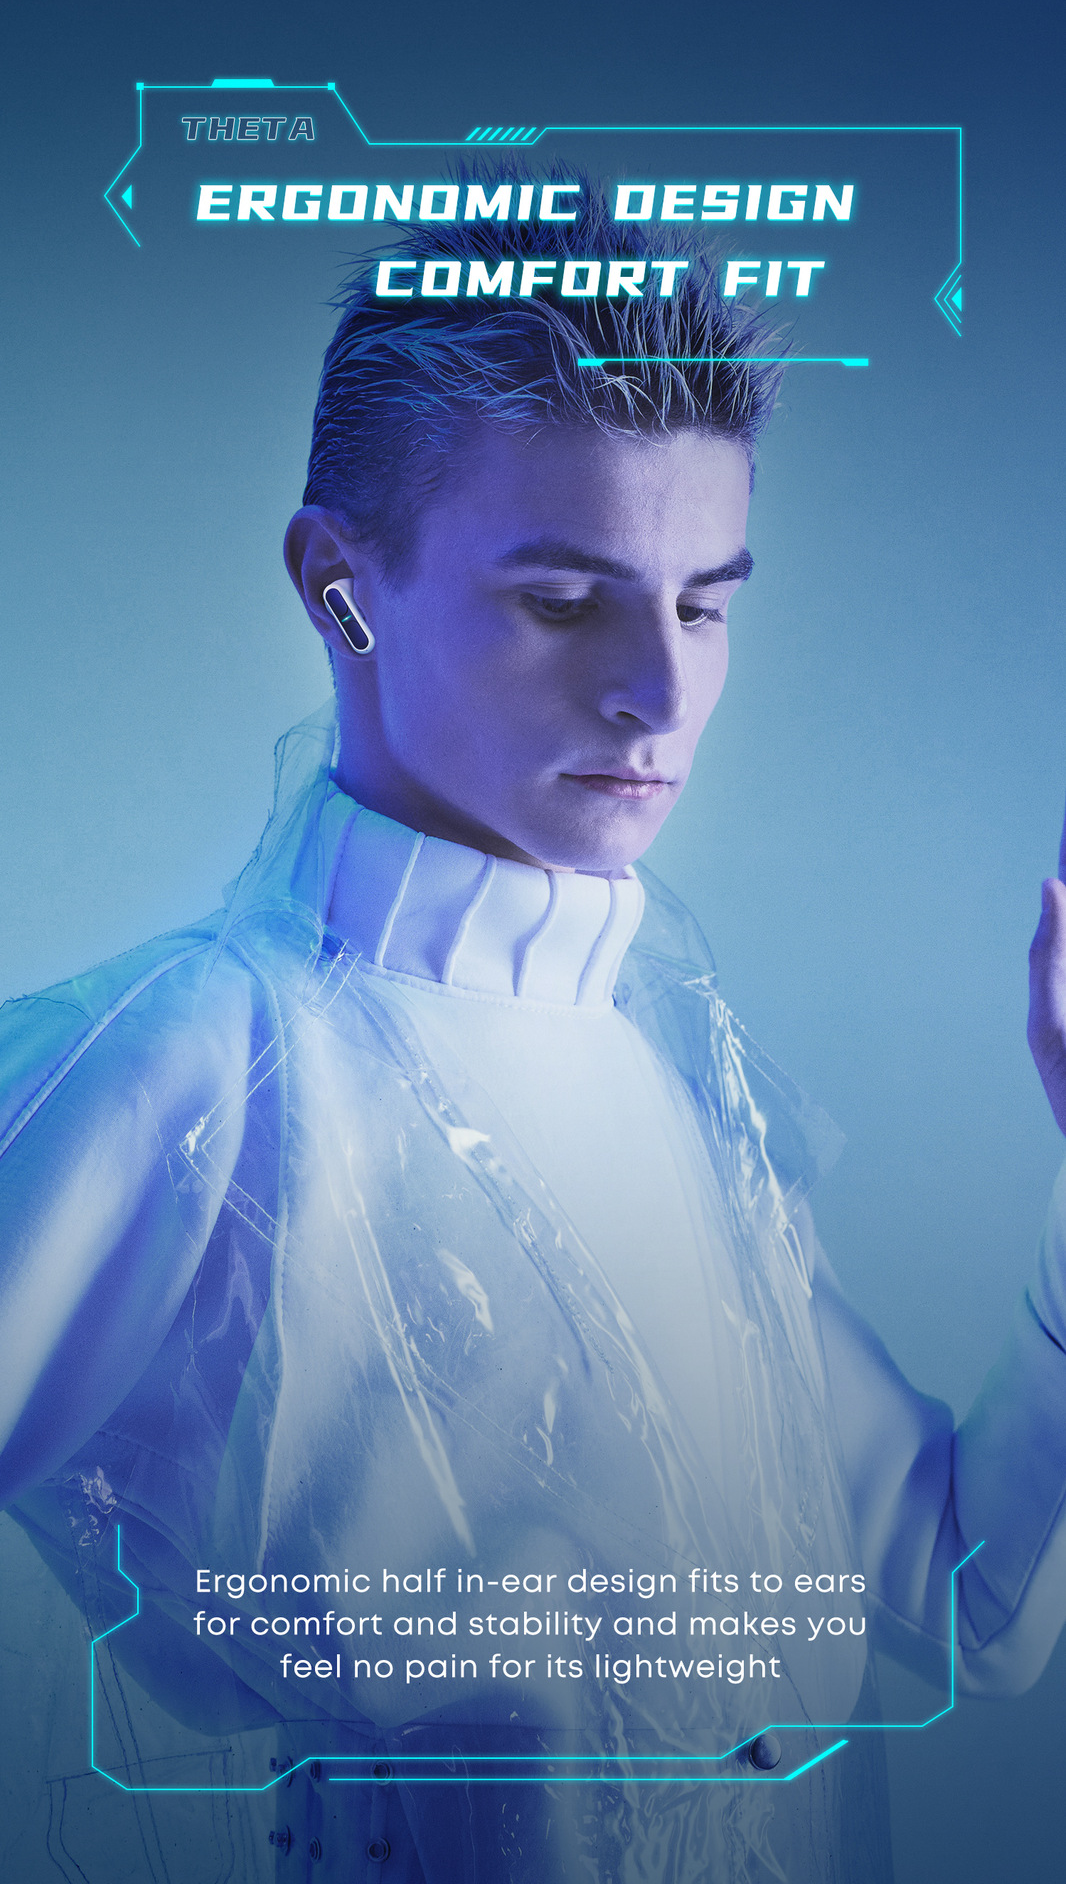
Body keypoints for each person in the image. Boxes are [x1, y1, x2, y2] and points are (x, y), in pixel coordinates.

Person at [3, 188, 1066, 1884]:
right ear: (341, 588)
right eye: (566, 602)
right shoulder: (186, 1066)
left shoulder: (675, 1077)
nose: (659, 692)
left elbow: (965, 1606)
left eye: (703, 604)